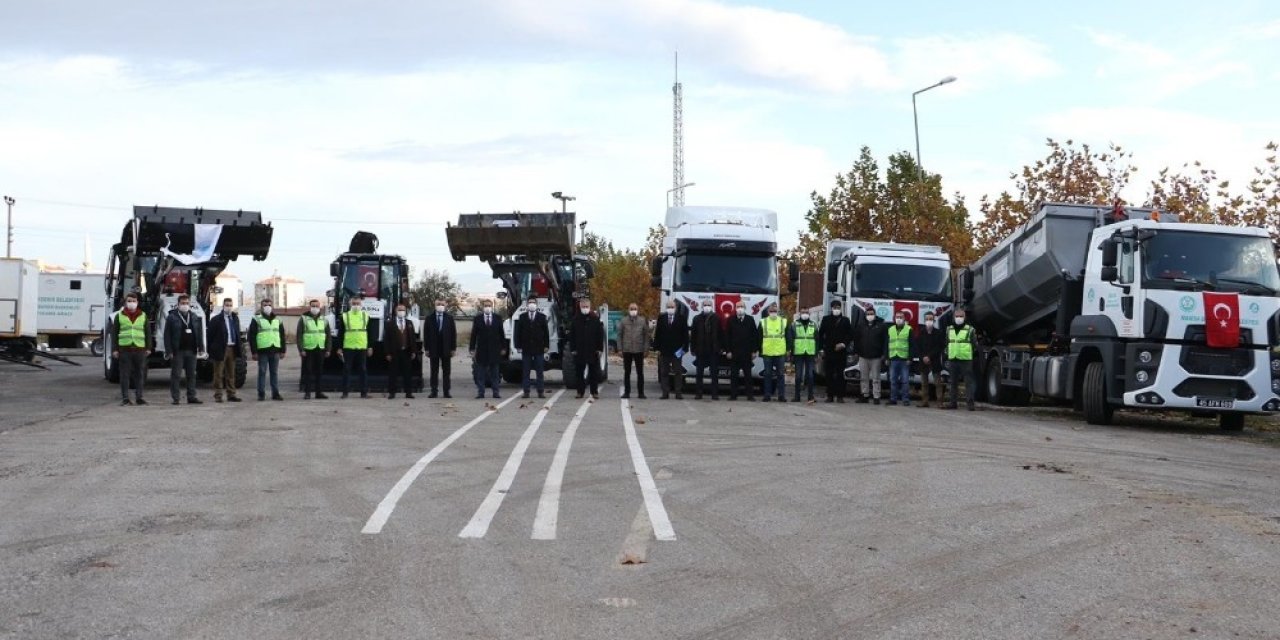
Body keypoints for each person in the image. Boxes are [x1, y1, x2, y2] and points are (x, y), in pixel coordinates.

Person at [110, 292, 151, 406]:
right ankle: (125, 398)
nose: (131, 303)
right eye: (129, 301)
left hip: (139, 349)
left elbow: (147, 332)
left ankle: (139, 397)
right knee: (124, 374)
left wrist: (148, 347)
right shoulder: (119, 316)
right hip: (125, 349)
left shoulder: (143, 315)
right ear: (125, 302)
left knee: (139, 374)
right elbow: (114, 333)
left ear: (137, 303)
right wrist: (115, 349)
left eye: (134, 301)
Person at [164, 293, 205, 405]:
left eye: (187, 303)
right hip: (178, 351)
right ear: (178, 304)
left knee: (191, 375)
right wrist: (169, 351)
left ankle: (191, 396)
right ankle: (176, 398)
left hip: (191, 351)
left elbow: (199, 333)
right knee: (176, 375)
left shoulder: (194, 317)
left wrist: (201, 347)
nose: (185, 305)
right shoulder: (172, 317)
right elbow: (167, 335)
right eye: (182, 303)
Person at [336, 295, 373, 399]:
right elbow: (341, 333)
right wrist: (339, 347)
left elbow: (370, 333)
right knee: (347, 370)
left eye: (358, 304)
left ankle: (364, 393)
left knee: (363, 370)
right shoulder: (344, 316)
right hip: (348, 346)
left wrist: (370, 346)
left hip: (362, 346)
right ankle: (345, 392)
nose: (356, 305)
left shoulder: (366, 316)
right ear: (350, 304)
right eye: (354, 304)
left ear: (361, 305)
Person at [817, 300, 853, 403]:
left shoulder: (845, 320)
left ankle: (840, 396)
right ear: (831, 308)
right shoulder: (826, 319)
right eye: (835, 307)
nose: (836, 309)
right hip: (829, 351)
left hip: (841, 352)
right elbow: (820, 335)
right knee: (829, 374)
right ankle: (830, 395)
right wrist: (821, 349)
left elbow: (850, 335)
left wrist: (843, 344)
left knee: (840, 374)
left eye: (838, 307)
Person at [514, 297, 551, 399]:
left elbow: (546, 333)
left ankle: (540, 391)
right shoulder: (522, 317)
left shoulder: (542, 317)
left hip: (539, 348)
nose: (531, 304)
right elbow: (517, 333)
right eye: (530, 302)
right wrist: (518, 346)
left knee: (539, 371)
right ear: (526, 305)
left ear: (536, 304)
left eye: (533, 302)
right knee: (526, 371)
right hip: (526, 348)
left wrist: (546, 345)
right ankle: (526, 391)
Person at [569, 298, 606, 399]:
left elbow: (600, 335)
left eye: (586, 307)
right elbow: (572, 336)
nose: (585, 308)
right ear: (580, 307)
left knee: (594, 372)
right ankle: (580, 392)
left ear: (590, 307)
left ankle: (594, 392)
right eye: (583, 307)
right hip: (579, 351)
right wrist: (573, 349)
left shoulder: (595, 319)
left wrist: (600, 349)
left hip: (592, 350)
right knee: (579, 373)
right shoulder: (575, 320)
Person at [207, 297, 242, 403]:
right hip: (221, 349)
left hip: (232, 348)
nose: (229, 307)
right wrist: (211, 350)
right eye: (227, 305)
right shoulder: (216, 319)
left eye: (230, 305)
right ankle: (218, 395)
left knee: (231, 374)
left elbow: (237, 333)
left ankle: (231, 394)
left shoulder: (235, 318)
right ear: (223, 306)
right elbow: (210, 336)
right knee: (218, 374)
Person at [469, 299, 506, 399]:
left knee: (495, 373)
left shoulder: (498, 318)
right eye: (486, 306)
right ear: (483, 307)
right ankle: (481, 392)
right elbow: (474, 335)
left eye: (489, 305)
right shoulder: (478, 319)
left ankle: (496, 393)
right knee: (481, 373)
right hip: (481, 350)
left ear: (492, 306)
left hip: (495, 350)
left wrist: (503, 347)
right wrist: (472, 349)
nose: (487, 307)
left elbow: (501, 334)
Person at [384, 302, 421, 399]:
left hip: (406, 352)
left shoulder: (409, 323)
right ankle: (392, 393)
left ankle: (408, 393)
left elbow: (412, 338)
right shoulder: (390, 323)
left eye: (403, 310)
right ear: (395, 311)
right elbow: (386, 339)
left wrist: (414, 351)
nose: (401, 312)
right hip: (394, 352)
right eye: (399, 310)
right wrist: (387, 353)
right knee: (393, 373)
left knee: (407, 373)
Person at [653, 300, 688, 400]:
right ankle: (665, 392)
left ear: (675, 308)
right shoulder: (662, 318)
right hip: (664, 350)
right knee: (664, 372)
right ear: (666, 307)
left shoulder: (681, 318)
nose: (670, 308)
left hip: (677, 351)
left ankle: (678, 392)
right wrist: (656, 347)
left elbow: (685, 335)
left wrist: (685, 348)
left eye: (672, 307)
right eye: (669, 306)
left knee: (678, 372)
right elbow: (658, 334)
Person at [945, 308, 978, 411]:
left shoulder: (970, 329)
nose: (959, 318)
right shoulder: (949, 329)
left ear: (965, 317)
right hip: (953, 358)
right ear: (953, 317)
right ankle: (953, 403)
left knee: (968, 382)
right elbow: (947, 342)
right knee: (953, 382)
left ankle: (970, 404)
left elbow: (974, 344)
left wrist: (968, 353)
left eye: (961, 316)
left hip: (966, 359)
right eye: (957, 316)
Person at [724, 302, 759, 401]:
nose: (740, 308)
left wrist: (754, 351)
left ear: (745, 308)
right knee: (734, 375)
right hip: (734, 353)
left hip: (747, 353)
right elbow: (727, 337)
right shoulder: (731, 320)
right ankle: (733, 395)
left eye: (742, 307)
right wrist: (728, 351)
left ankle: (750, 395)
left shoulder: (750, 320)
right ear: (735, 308)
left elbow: (754, 336)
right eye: (738, 306)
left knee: (748, 375)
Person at [296, 299, 330, 400]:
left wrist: (328, 349)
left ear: (320, 307)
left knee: (319, 372)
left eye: (316, 306)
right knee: (308, 371)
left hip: (320, 348)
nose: (315, 308)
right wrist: (301, 349)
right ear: (310, 307)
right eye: (313, 306)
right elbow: (299, 335)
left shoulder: (324, 319)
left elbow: (328, 335)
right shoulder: (304, 318)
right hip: (308, 349)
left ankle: (318, 393)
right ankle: (307, 393)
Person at [690, 299, 723, 400]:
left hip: (713, 350)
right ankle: (698, 393)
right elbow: (693, 335)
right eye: (705, 305)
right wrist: (693, 348)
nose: (707, 306)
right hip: (700, 350)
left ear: (711, 306)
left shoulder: (716, 318)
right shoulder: (697, 318)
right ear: (702, 307)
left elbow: (720, 334)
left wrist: (721, 347)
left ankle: (714, 394)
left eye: (709, 305)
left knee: (714, 373)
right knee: (699, 373)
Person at [852, 308, 887, 405]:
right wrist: (856, 352)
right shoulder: (861, 326)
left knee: (876, 378)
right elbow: (857, 340)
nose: (870, 315)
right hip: (863, 356)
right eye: (868, 314)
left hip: (876, 356)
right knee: (864, 377)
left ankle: (876, 397)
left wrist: (884, 354)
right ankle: (865, 395)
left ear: (875, 314)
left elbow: (885, 341)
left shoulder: (881, 326)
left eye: (871, 313)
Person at [424, 298, 457, 398]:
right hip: (434, 348)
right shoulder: (429, 318)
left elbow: (453, 334)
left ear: (445, 305)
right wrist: (426, 349)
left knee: (446, 371)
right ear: (435, 305)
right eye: (438, 304)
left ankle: (446, 391)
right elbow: (426, 335)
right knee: (434, 371)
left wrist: (453, 348)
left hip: (446, 348)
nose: (440, 306)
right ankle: (434, 391)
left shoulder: (449, 318)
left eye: (442, 304)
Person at [616, 302, 650, 399]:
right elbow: (619, 335)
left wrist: (646, 349)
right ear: (628, 310)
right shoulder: (623, 321)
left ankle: (641, 393)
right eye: (631, 309)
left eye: (635, 309)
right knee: (627, 372)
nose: (633, 311)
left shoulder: (642, 321)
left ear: (637, 310)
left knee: (640, 372)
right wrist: (619, 349)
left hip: (639, 350)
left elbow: (646, 336)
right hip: (627, 350)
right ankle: (627, 392)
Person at [914, 310, 946, 408]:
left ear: (934, 320)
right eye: (927, 319)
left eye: (931, 319)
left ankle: (940, 402)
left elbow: (940, 346)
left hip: (934, 360)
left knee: (938, 383)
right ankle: (925, 401)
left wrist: (929, 356)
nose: (929, 321)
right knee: (924, 383)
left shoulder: (938, 333)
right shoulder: (921, 332)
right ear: (924, 320)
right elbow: (918, 347)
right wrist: (923, 357)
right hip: (923, 360)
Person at [758, 302, 789, 402]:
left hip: (780, 352)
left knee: (780, 374)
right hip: (767, 352)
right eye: (771, 311)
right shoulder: (763, 322)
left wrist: (788, 350)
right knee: (767, 375)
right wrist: (760, 350)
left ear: (778, 312)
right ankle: (767, 395)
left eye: (775, 311)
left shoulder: (783, 322)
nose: (773, 313)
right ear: (768, 312)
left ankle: (781, 395)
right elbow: (759, 338)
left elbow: (788, 337)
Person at [886, 311, 913, 406]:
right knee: (893, 380)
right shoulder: (890, 329)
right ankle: (893, 399)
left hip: (904, 359)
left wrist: (910, 358)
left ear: (904, 318)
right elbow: (886, 344)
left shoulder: (909, 329)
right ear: (894, 318)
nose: (899, 319)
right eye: (897, 317)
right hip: (893, 358)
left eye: (901, 317)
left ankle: (905, 399)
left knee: (905, 381)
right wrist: (887, 357)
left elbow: (912, 345)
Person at [791, 308, 817, 403]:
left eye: (806, 312)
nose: (805, 314)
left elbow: (817, 339)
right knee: (798, 376)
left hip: (810, 353)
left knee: (810, 376)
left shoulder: (813, 324)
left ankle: (811, 396)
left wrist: (816, 353)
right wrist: (791, 353)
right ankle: (797, 396)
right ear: (800, 314)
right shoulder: (794, 324)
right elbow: (791, 339)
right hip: (798, 352)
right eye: (803, 312)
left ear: (809, 314)